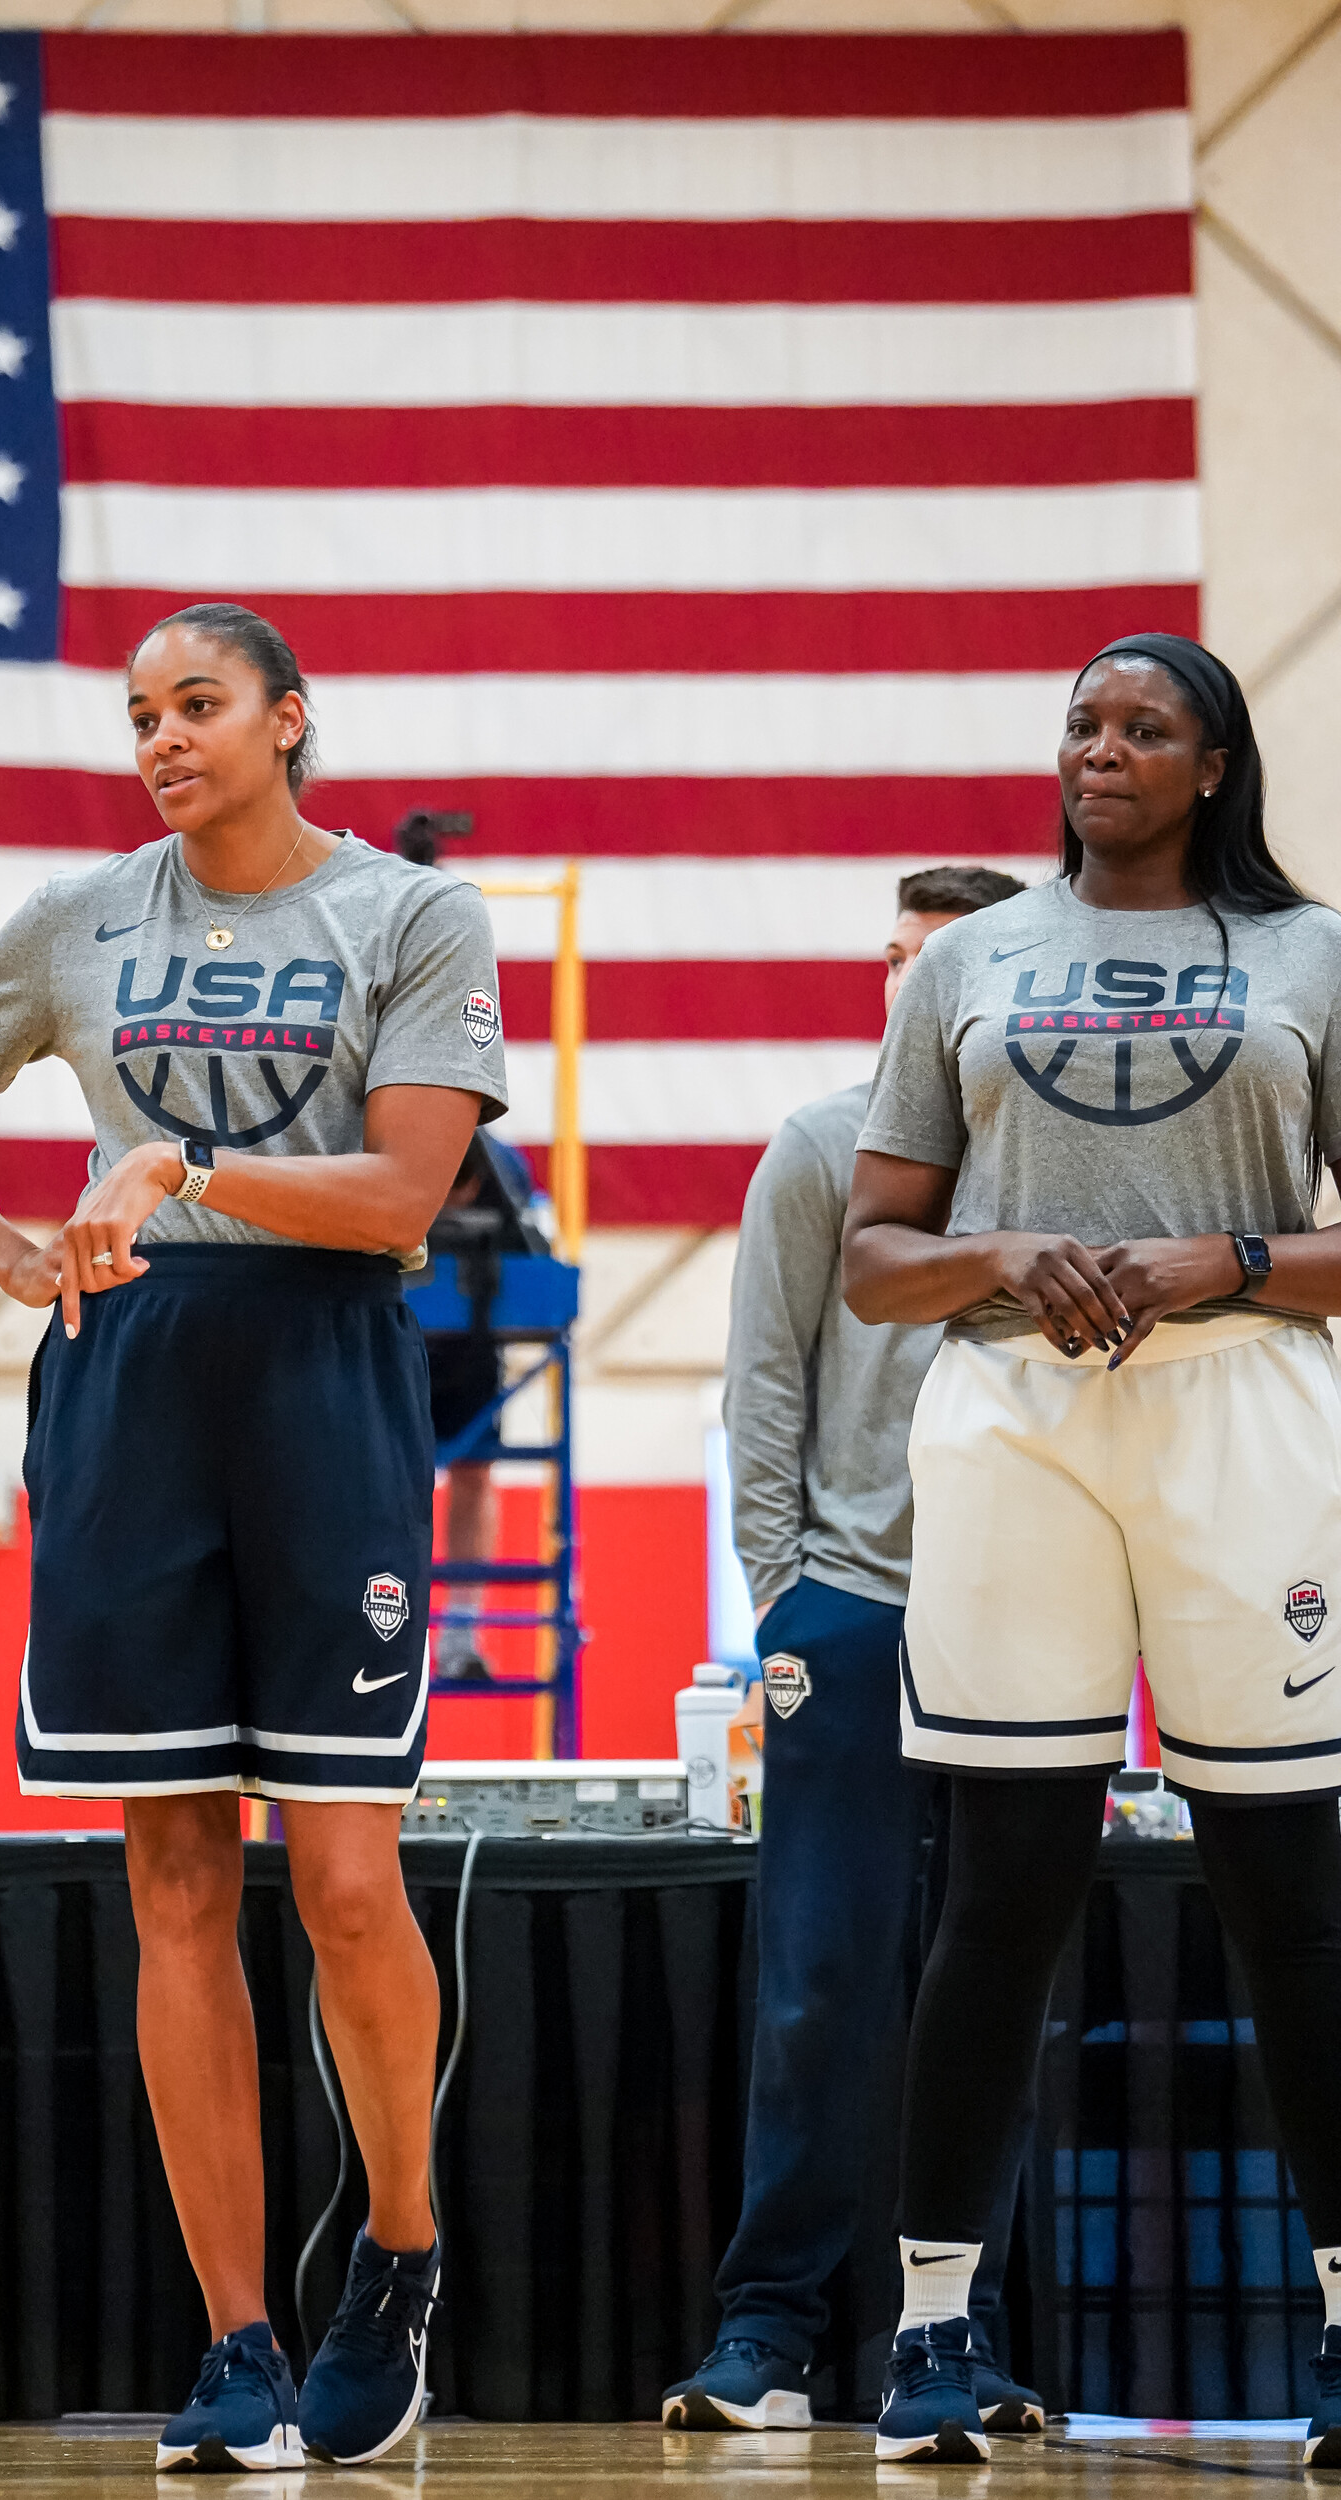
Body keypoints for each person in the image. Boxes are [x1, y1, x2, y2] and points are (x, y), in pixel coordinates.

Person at [0, 602, 509, 2472]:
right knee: (168, 1879)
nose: (160, 736)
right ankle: (233, 2332)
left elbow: (401, 1189)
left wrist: (182, 1165)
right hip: (127, 1377)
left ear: (288, 721)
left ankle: (398, 2254)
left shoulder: (408, 916)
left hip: (323, 1375)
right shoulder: (79, 921)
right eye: (141, 713)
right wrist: (2, 1244)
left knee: (346, 1881)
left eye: (197, 704)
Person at [842, 633, 1341, 2467]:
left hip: (1247, 1409)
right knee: (1001, 1888)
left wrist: (1229, 1260)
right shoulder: (969, 961)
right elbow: (876, 1254)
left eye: (1144, 728)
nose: (1101, 750)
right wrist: (1003, 1254)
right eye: (1081, 724)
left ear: (1216, 764)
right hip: (1014, 1416)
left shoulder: (1312, 955)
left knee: (1287, 1887)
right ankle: (930, 2339)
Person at [663, 865, 1038, 2438]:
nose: (899, 986)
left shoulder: (1065, 1164)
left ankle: (950, 2342)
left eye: (932, 962)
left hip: (1031, 1621)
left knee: (991, 1992)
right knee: (820, 1981)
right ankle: (767, 2331)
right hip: (852, 1613)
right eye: (888, 960)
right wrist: (788, 1601)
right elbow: (762, 1395)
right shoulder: (820, 1147)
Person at [423, 1128, 544, 1683]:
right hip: (394, 1341)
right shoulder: (381, 1138)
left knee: (474, 1476)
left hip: (472, 1347)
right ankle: (384, 1633)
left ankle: (460, 1635)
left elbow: (538, 1256)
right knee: (394, 1480)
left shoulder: (506, 1163)